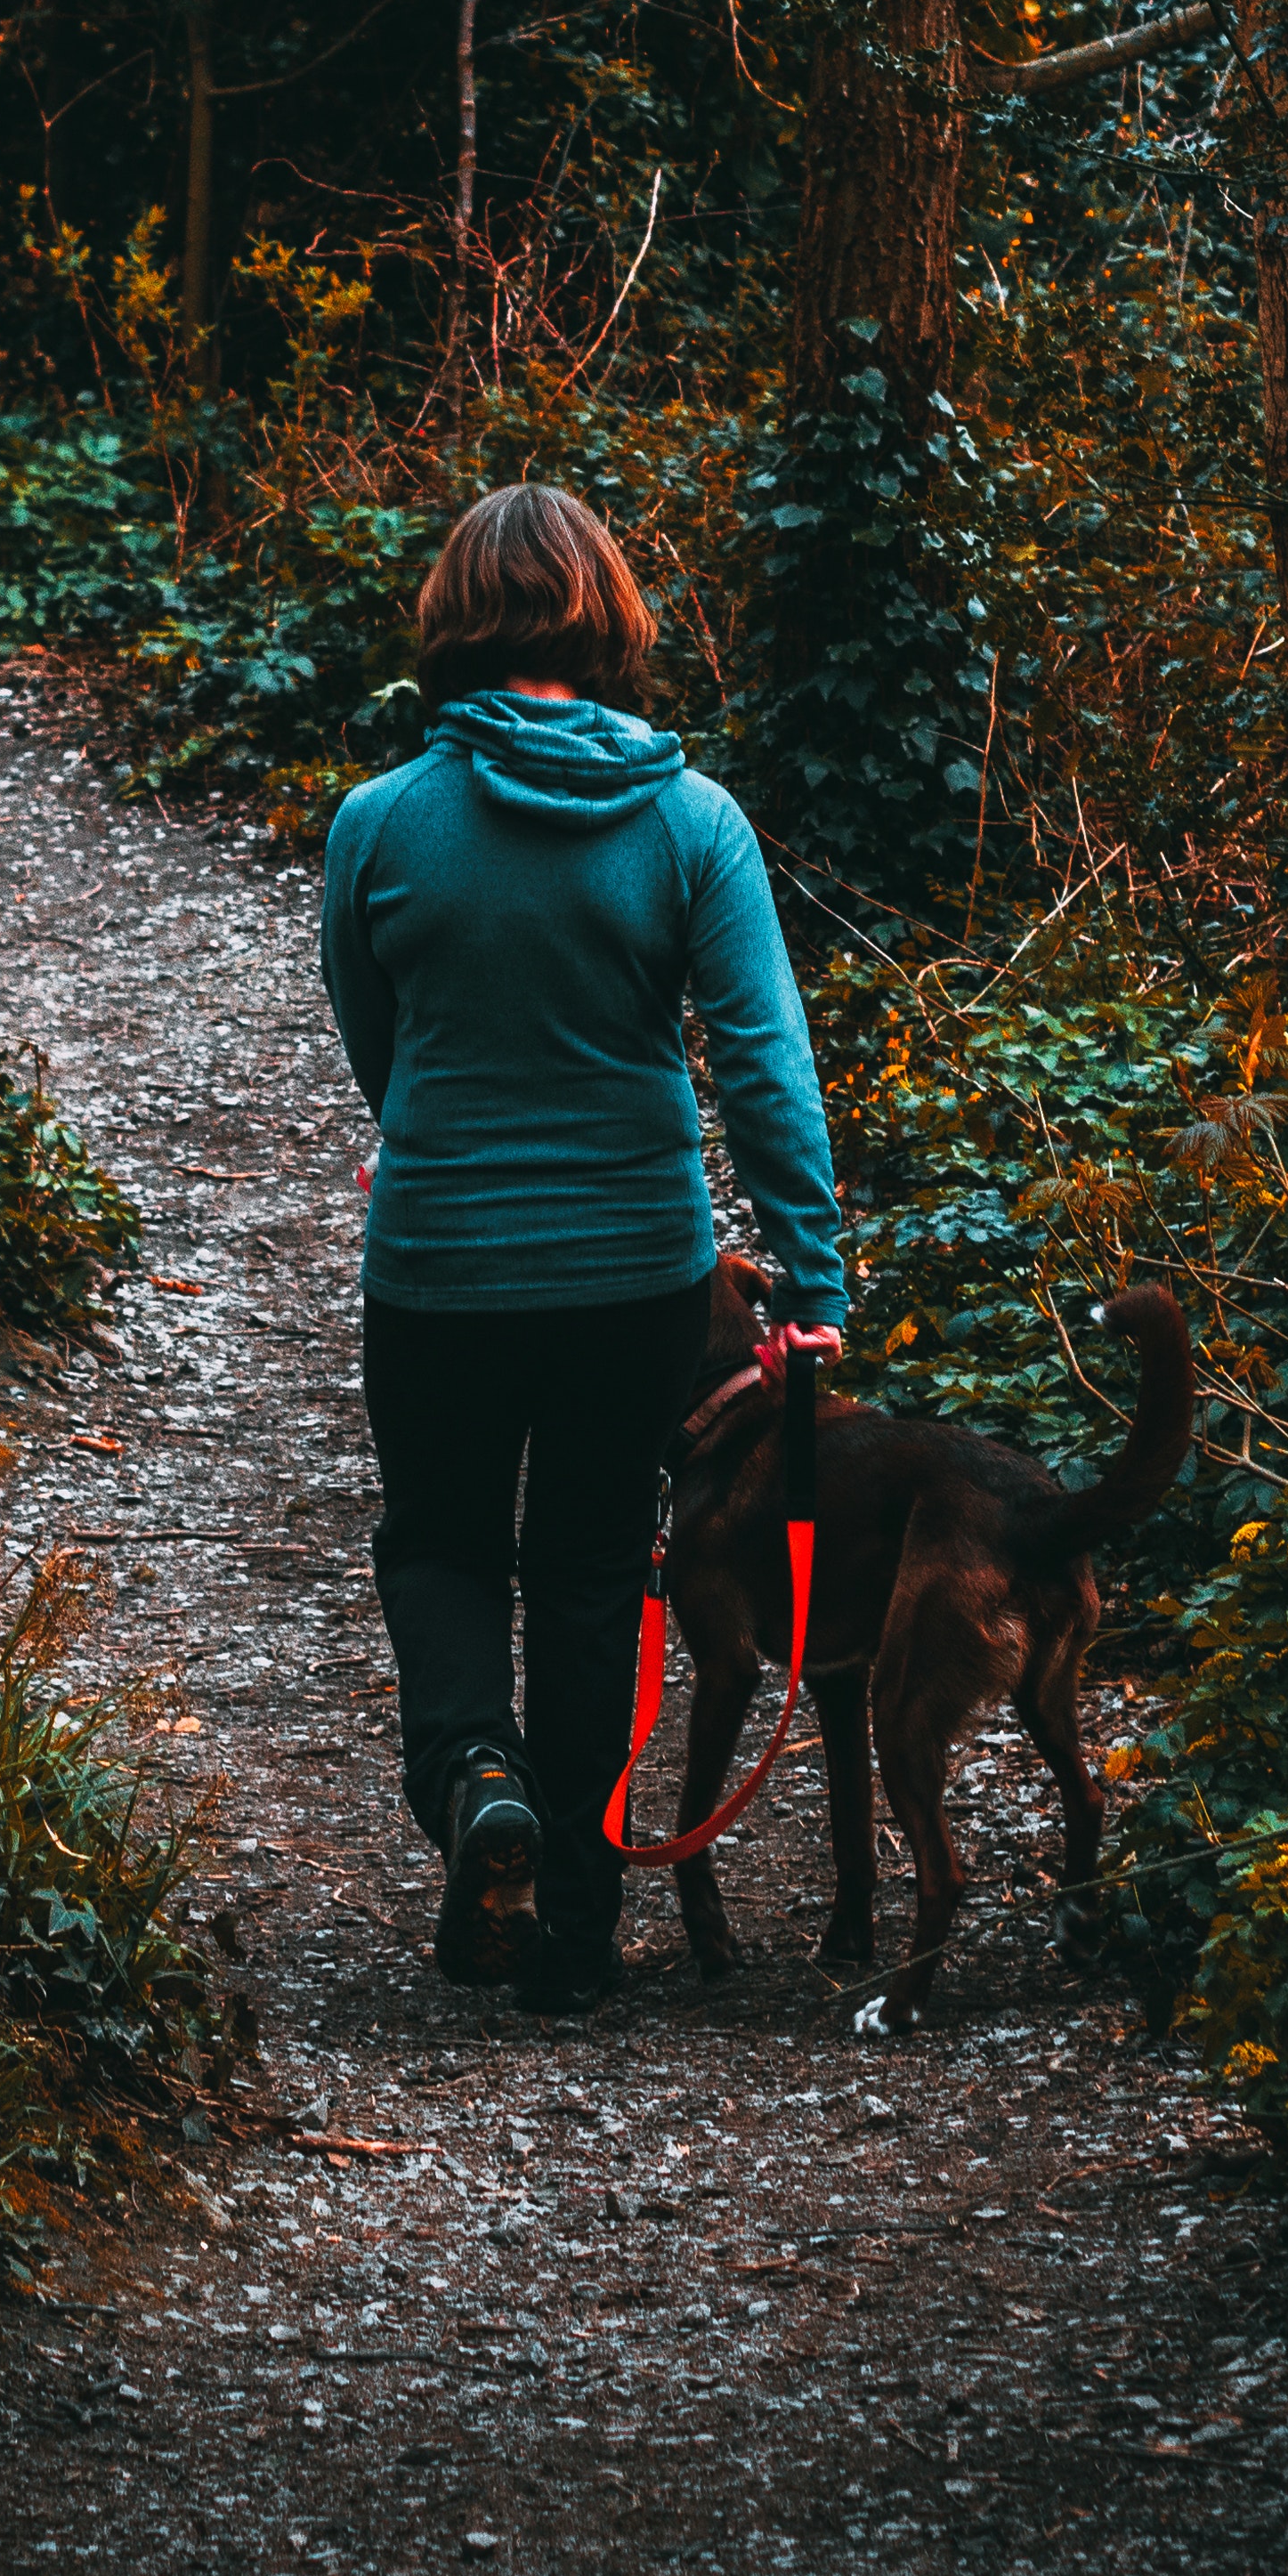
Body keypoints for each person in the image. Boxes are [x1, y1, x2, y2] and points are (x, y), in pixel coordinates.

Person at [317, 482, 847, 2010]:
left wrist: (436, 1141)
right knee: (599, 1562)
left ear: (451, 625)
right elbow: (762, 1065)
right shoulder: (695, 823)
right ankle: (574, 1921)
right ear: (605, 622)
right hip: (637, 1275)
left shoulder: (379, 824)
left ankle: (479, 1784)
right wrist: (807, 1284)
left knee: (440, 1540)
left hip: (438, 1262)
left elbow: (379, 1035)